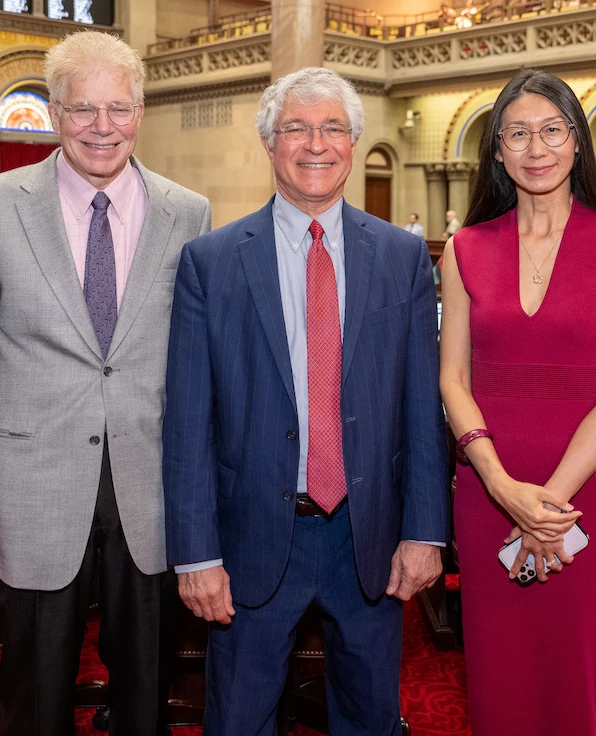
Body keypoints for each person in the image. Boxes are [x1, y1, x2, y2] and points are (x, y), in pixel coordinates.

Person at [0, 30, 210, 736]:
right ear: (53, 113)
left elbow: (195, 365)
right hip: (30, 489)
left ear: (141, 110)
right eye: (83, 110)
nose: (102, 127)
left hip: (149, 488)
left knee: (146, 692)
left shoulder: (188, 212)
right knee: (36, 691)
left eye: (118, 108)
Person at [163, 66, 448, 735]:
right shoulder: (211, 262)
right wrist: (197, 554)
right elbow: (187, 425)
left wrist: (425, 530)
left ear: (353, 143)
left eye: (331, 128)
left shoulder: (405, 258)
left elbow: (421, 411)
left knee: (371, 716)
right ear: (269, 144)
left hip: (369, 534)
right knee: (238, 718)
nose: (314, 144)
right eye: (296, 127)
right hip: (254, 537)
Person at [438, 68, 596, 734]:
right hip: (486, 490)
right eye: (518, 133)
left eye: (552, 130)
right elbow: (453, 381)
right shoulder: (464, 248)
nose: (537, 148)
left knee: (574, 675)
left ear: (578, 142)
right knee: (498, 676)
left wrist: (546, 507)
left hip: (582, 493)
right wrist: (504, 489)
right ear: (497, 150)